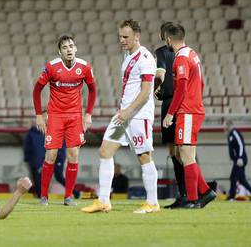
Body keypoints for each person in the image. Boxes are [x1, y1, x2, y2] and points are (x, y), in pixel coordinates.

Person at [81, 19, 160, 214]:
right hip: (124, 115)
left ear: (137, 36)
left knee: (143, 156)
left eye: (126, 37)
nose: (122, 40)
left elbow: (146, 91)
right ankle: (103, 201)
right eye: (120, 37)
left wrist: (128, 111)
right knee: (105, 151)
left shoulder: (146, 58)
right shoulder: (128, 56)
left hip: (137, 115)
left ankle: (152, 203)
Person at [33, 35, 97, 206]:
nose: (69, 50)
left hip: (75, 116)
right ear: (59, 52)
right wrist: (39, 115)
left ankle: (68, 197)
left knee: (73, 155)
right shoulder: (52, 67)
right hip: (55, 116)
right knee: (51, 155)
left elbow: (92, 90)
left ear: (75, 48)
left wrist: (88, 114)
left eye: (71, 46)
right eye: (65, 47)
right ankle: (44, 196)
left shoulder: (84, 67)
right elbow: (37, 89)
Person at [162, 23, 216, 208]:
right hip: (193, 108)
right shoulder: (191, 53)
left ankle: (192, 200)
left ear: (169, 39)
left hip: (188, 111)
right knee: (182, 153)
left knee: (186, 156)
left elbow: (182, 88)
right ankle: (206, 192)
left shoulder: (181, 59)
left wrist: (170, 113)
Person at [154, 21, 188, 209]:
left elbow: (159, 75)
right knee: (183, 150)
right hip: (184, 102)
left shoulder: (161, 52)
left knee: (175, 152)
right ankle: (191, 191)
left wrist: (156, 89)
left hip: (170, 104)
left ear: (165, 36)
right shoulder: (185, 52)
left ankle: (185, 193)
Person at [23, 119, 80, 198]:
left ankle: (73, 192)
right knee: (39, 178)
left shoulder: (53, 130)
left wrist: (60, 157)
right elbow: (29, 148)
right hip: (39, 160)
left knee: (57, 176)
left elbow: (60, 145)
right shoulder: (33, 134)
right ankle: (42, 196)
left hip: (53, 158)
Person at [226, 120, 251, 200]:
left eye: (225, 126)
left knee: (233, 177)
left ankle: (232, 196)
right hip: (237, 159)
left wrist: (240, 157)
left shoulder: (235, 132)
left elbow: (240, 145)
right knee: (242, 180)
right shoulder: (230, 135)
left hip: (240, 159)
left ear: (228, 125)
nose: (224, 128)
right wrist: (232, 157)